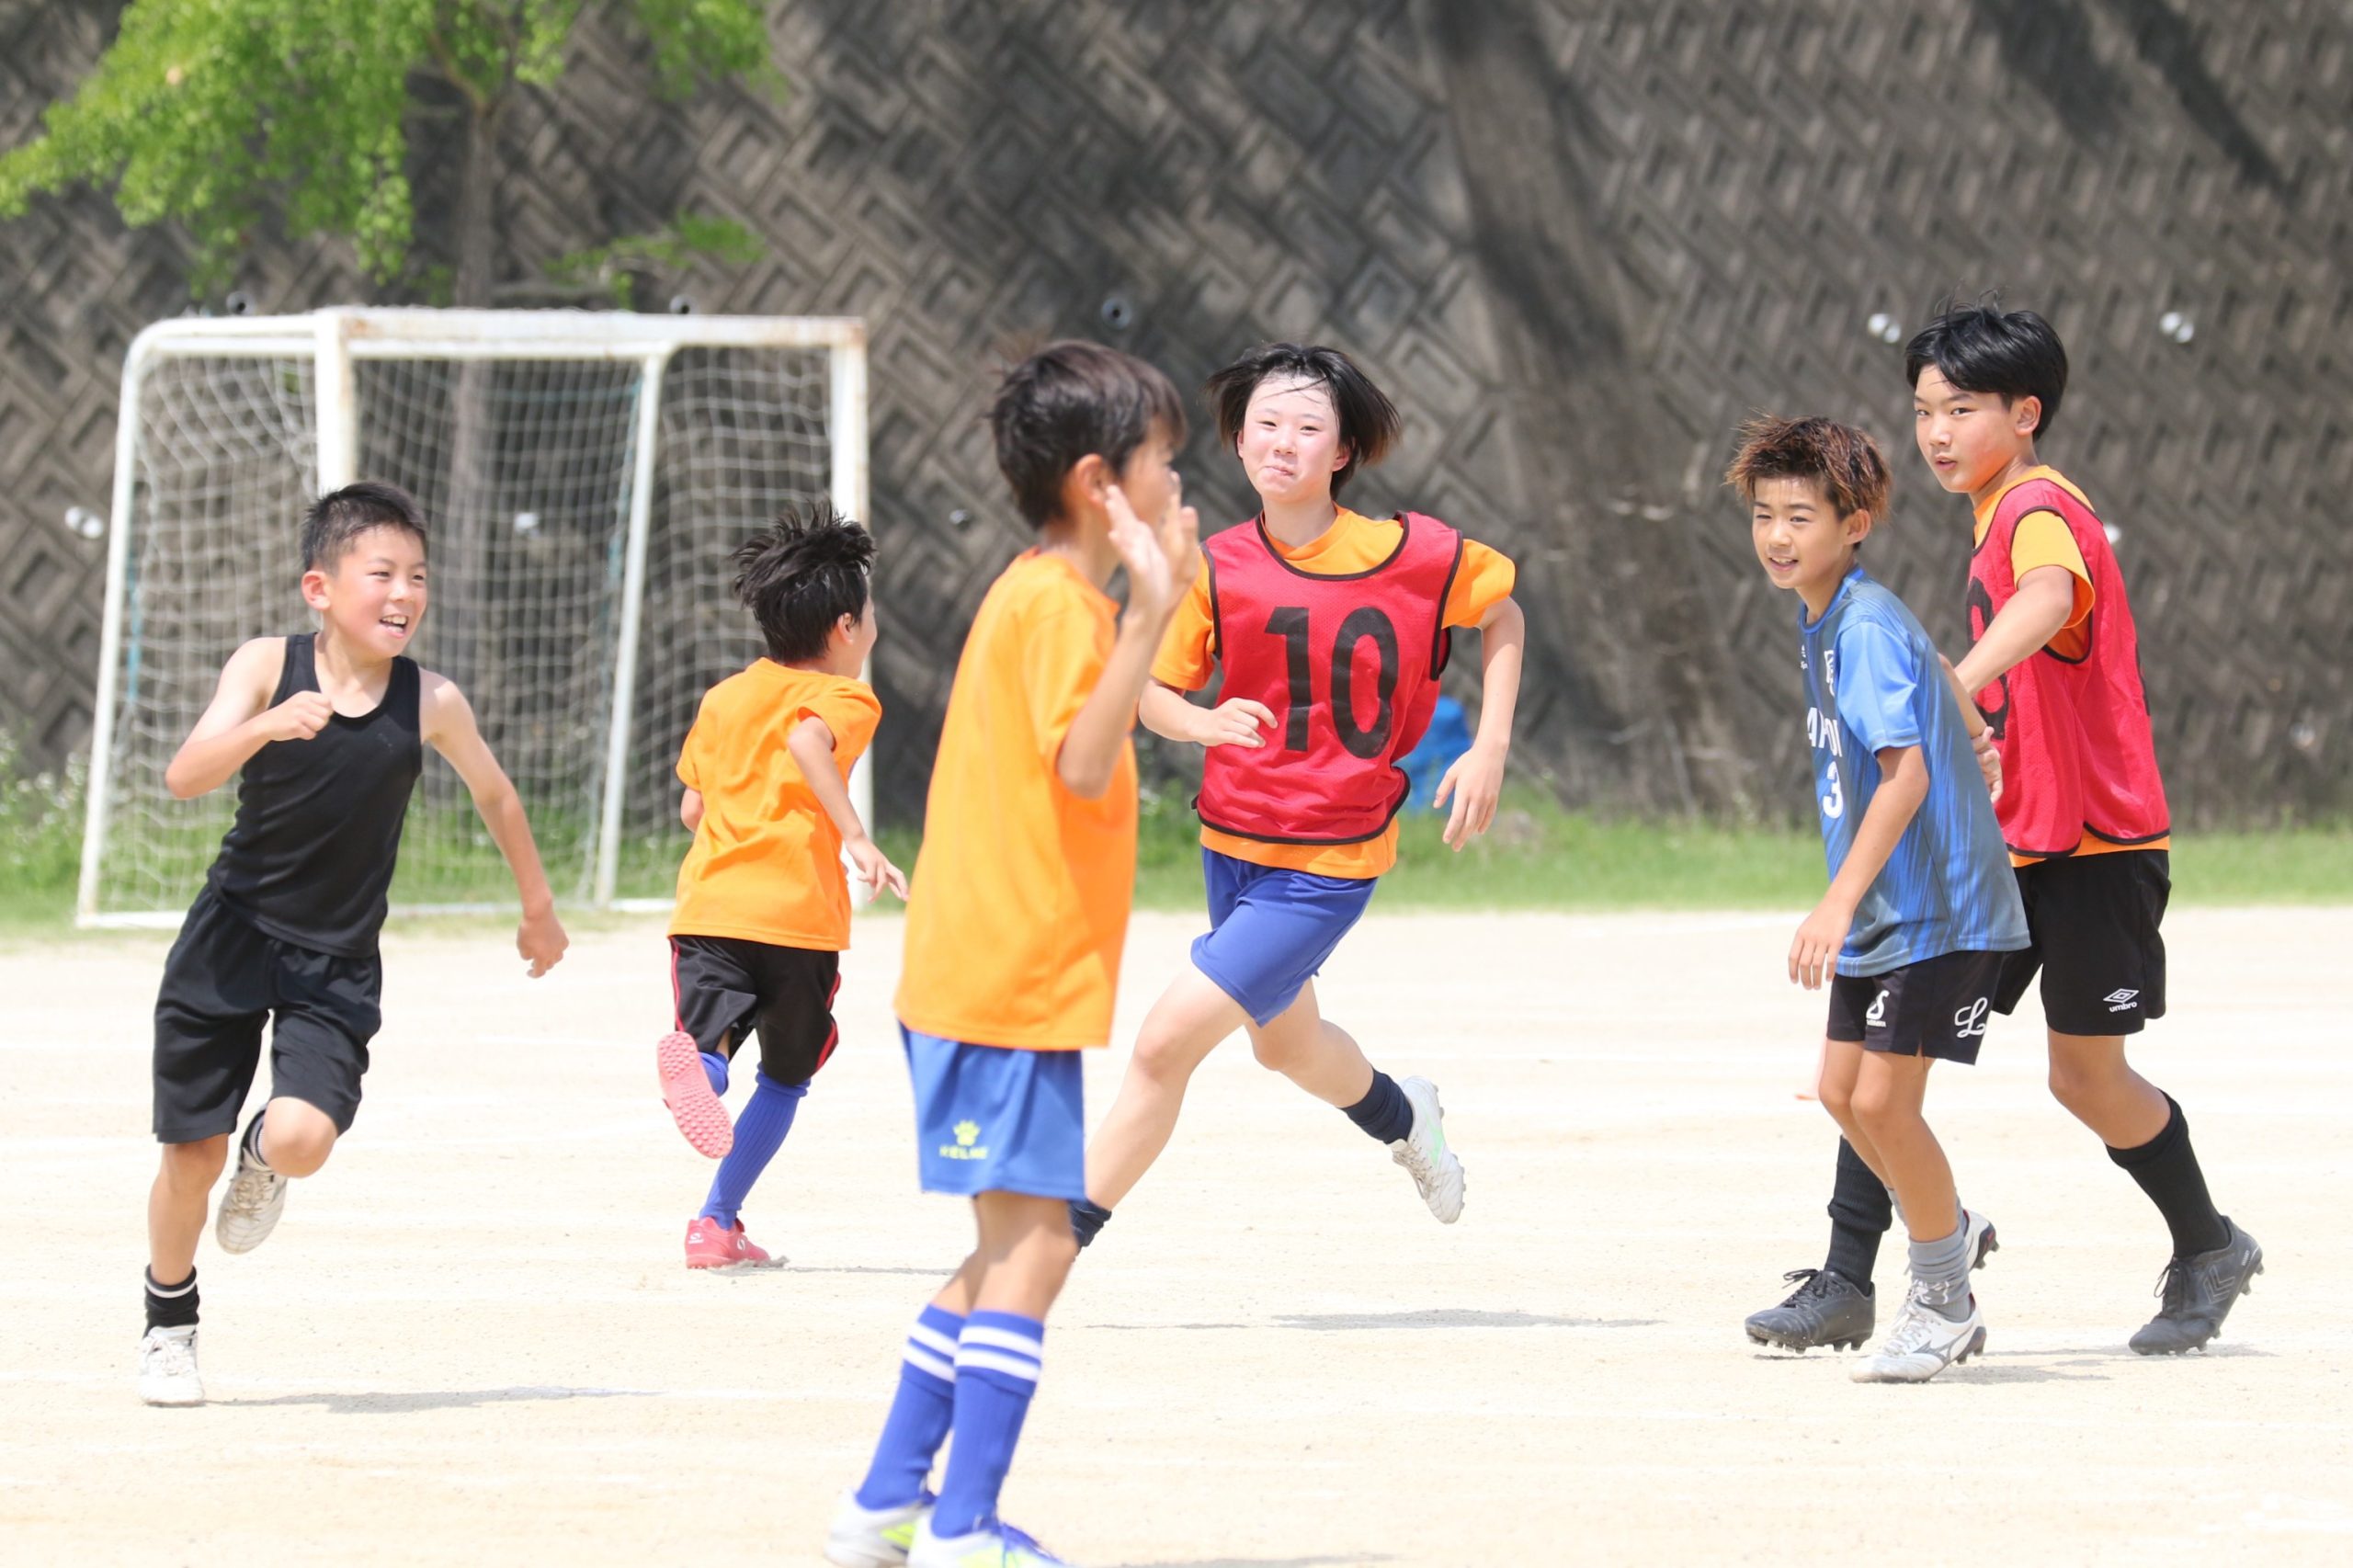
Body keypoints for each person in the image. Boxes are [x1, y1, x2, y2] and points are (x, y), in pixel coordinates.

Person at [825, 341, 1196, 1568]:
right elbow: (1082, 762)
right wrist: (1154, 609)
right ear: (1100, 484)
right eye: (1163, 462)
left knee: (1001, 1250)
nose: (1178, 487)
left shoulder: (1047, 598)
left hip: (991, 976)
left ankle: (886, 1502)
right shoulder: (1058, 606)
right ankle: (965, 1524)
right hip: (1003, 981)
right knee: (1038, 1246)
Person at [1067, 343, 1526, 1255]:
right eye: (1265, 423)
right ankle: (1405, 1116)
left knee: (1163, 1044)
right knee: (1283, 1045)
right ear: (1239, 441)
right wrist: (1200, 723)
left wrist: (1490, 746)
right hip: (1233, 843)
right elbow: (1148, 692)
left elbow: (1503, 611)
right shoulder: (1214, 566)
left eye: (1307, 426)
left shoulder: (1410, 553)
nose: (1282, 441)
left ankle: (1048, 1243)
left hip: (1328, 859)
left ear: (1342, 450)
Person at [138, 482, 568, 1407]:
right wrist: (267, 722)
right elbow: (183, 775)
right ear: (321, 588)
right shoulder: (266, 664)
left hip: (334, 959)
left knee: (300, 1139)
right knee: (189, 1158)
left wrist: (537, 906)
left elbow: (496, 795)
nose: (404, 593)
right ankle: (168, 1323)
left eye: (418, 575)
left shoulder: (432, 699)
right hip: (229, 937)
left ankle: (262, 1159)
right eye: (383, 573)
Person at [1732, 415, 2028, 1382]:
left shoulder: (1856, 624)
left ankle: (1945, 1301)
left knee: (1883, 1104)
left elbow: (1905, 778)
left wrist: (1833, 903)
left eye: (1800, 516)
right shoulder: (1834, 613)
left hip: (1938, 909)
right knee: (1839, 1093)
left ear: (1852, 523)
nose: (1778, 536)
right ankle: (1948, 1222)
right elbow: (1932, 670)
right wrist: (1972, 732)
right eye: (1764, 515)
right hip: (1889, 911)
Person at [651, 503, 904, 1269]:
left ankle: (702, 1069)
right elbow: (805, 742)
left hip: (713, 909)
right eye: (869, 618)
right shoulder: (848, 698)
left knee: (711, 1046)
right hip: (798, 918)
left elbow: (694, 809)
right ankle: (715, 1222)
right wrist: (855, 836)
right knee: (786, 1079)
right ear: (844, 629)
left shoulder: (724, 698)